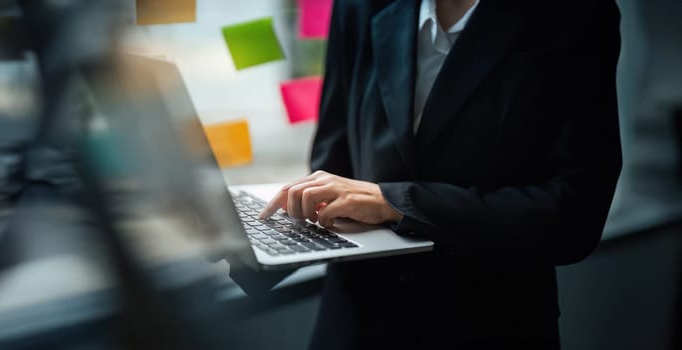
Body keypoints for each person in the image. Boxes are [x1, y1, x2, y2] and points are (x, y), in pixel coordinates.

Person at [258, 0, 622, 348]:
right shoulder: (358, 3)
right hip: (355, 322)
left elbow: (574, 215)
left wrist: (397, 204)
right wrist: (256, 242)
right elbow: (331, 162)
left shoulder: (577, 13)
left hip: (492, 327)